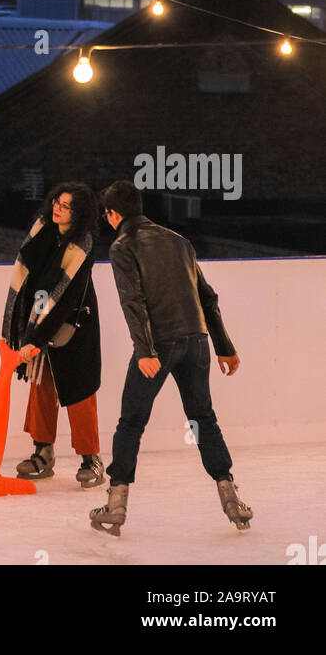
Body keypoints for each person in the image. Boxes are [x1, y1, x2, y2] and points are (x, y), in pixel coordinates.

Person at [90, 180, 252, 536]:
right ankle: (231, 499)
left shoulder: (122, 245)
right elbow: (207, 298)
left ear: (113, 214)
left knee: (131, 421)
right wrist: (224, 346)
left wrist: (145, 351)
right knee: (202, 418)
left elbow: (132, 301)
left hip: (160, 344)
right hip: (196, 342)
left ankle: (116, 505)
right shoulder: (179, 241)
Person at [2, 182, 104, 488]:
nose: (57, 208)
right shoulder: (43, 232)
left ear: (80, 213)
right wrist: (29, 333)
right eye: (57, 202)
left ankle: (91, 459)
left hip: (74, 326)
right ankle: (42, 453)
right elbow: (28, 279)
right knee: (42, 388)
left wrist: (35, 338)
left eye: (66, 206)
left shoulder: (81, 246)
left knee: (79, 393)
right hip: (39, 322)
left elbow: (63, 300)